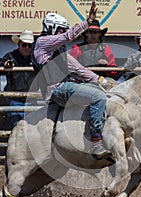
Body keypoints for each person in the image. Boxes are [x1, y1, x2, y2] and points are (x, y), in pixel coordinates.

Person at [33, 2, 113, 159]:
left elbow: (79, 70)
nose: (63, 33)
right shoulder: (42, 43)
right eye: (61, 29)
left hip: (64, 88)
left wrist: (102, 80)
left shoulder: (58, 52)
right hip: (57, 89)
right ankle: (96, 141)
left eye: (63, 30)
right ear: (52, 28)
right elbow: (67, 37)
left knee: (98, 90)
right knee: (98, 97)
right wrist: (87, 23)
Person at [0, 30, 38, 127]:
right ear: (19, 45)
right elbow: (1, 67)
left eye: (30, 45)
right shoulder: (11, 56)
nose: (27, 48)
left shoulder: (36, 58)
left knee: (31, 128)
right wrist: (7, 64)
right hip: (15, 99)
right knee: (17, 126)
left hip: (31, 99)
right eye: (24, 45)